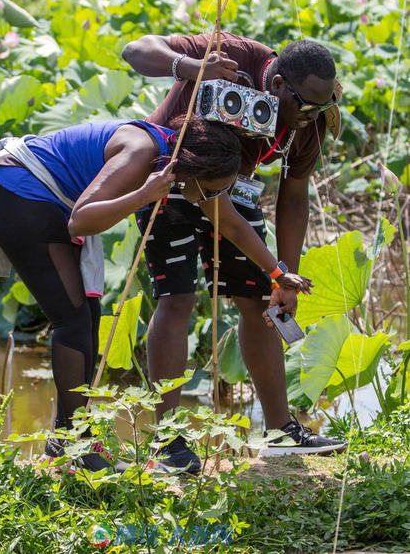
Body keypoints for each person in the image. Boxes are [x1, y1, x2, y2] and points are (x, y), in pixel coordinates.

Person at [0, 115, 311, 472]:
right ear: (193, 172)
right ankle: (76, 445)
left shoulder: (185, 169)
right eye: (212, 190)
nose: (214, 198)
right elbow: (80, 220)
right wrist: (143, 195)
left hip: (48, 196)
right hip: (19, 186)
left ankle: (67, 442)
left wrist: (279, 274)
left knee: (86, 317)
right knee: (72, 320)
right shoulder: (142, 153)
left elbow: (231, 223)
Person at [122, 32, 347, 470]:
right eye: (307, 106)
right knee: (177, 297)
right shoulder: (233, 54)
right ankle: (167, 441)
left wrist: (285, 274)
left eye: (324, 107)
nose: (314, 117)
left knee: (260, 298)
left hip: (233, 190)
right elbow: (135, 50)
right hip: (172, 175)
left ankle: (282, 430)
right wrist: (192, 69)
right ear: (277, 84)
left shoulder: (310, 115)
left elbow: (294, 197)